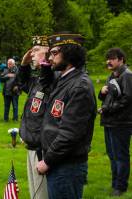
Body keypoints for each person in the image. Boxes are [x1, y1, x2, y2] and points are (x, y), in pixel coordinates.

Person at [36, 34, 97, 199]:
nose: (50, 57)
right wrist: (45, 66)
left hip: (67, 166)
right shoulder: (64, 79)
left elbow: (70, 133)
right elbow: (45, 84)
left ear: (69, 54)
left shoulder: (79, 86)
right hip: (59, 162)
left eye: (54, 53)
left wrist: (47, 161)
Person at [19, 36, 52, 199]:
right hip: (32, 145)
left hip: (44, 149)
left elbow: (48, 80)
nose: (32, 54)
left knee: (42, 194)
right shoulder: (38, 80)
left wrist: (46, 63)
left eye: (37, 50)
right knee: (35, 193)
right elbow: (23, 82)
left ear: (49, 54)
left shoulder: (52, 78)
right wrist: (24, 64)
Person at [98, 48, 132, 196]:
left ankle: (121, 187)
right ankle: (115, 184)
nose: (108, 61)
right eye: (107, 58)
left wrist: (107, 109)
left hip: (122, 123)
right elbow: (106, 98)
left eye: (112, 58)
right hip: (109, 122)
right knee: (112, 155)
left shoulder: (127, 76)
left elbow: (127, 99)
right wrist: (102, 92)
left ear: (121, 59)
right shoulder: (111, 76)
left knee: (120, 155)